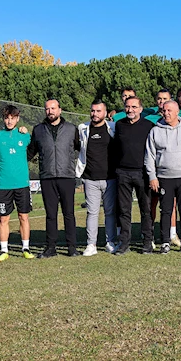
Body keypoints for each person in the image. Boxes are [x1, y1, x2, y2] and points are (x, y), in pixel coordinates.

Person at [145, 100, 181, 254]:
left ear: (177, 112)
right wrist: (152, 176)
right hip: (164, 178)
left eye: (170, 110)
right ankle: (165, 241)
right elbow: (149, 156)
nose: (166, 113)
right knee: (166, 210)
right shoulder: (155, 131)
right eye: (164, 110)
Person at [28, 99, 80, 258]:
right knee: (51, 214)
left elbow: (81, 149)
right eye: (47, 109)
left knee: (69, 213)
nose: (50, 111)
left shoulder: (72, 129)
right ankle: (51, 248)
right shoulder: (38, 130)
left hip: (67, 176)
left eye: (53, 108)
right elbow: (30, 153)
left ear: (60, 110)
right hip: (47, 177)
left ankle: (72, 247)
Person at [113, 96, 155, 254]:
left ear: (140, 109)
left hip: (142, 173)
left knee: (146, 209)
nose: (130, 110)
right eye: (127, 107)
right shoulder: (119, 125)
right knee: (124, 210)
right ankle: (124, 243)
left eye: (134, 107)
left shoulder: (149, 126)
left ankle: (147, 241)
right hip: (123, 173)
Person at [0, 105, 34, 260]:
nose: (9, 121)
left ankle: (26, 248)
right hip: (3, 185)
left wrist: (25, 130)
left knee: (24, 216)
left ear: (17, 118)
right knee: (3, 218)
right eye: (7, 118)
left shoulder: (25, 136)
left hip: (22, 184)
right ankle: (4, 250)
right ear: (3, 119)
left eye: (12, 118)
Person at [77, 99, 117, 256]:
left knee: (110, 212)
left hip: (110, 178)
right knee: (92, 212)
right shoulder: (83, 129)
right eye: (93, 110)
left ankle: (110, 242)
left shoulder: (112, 128)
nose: (95, 114)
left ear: (105, 113)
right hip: (90, 179)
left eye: (98, 111)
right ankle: (91, 244)